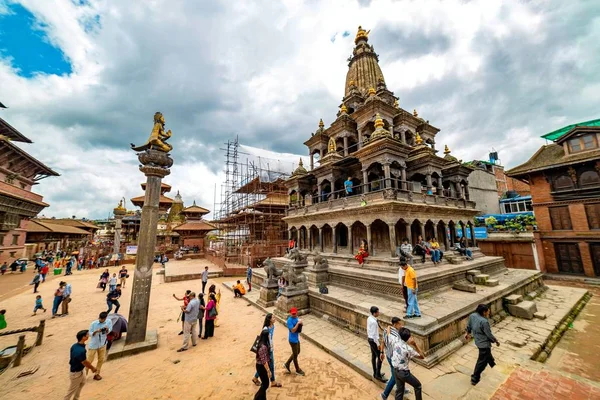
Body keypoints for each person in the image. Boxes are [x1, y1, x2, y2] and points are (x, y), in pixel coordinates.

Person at [466, 304, 500, 386]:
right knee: (481, 362)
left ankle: (491, 362)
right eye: (488, 312)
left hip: (477, 341)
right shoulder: (484, 322)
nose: (489, 313)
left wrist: (468, 334)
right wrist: (496, 341)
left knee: (485, 355)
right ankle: (475, 378)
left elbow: (468, 326)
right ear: (484, 312)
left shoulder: (472, 316)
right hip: (484, 344)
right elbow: (488, 334)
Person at [381, 316, 411, 400]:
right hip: (394, 358)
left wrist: (381, 352)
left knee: (399, 374)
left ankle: (402, 389)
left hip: (388, 355)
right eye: (399, 324)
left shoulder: (385, 330)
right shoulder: (397, 335)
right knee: (395, 377)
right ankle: (384, 394)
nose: (401, 325)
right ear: (395, 324)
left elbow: (383, 341)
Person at [392, 328, 425, 400]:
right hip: (404, 373)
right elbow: (422, 356)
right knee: (418, 386)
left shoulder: (395, 341)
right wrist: (415, 344)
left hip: (395, 369)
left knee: (399, 391)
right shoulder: (408, 349)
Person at [64, 330, 97, 400]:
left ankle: (76, 398)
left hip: (80, 370)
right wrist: (93, 368)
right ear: (83, 337)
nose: (88, 336)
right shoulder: (81, 351)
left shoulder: (74, 346)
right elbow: (85, 362)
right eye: (87, 335)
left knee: (82, 382)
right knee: (71, 390)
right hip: (76, 373)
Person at [253, 313, 282, 388]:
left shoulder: (273, 326)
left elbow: (270, 338)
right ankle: (272, 381)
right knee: (269, 365)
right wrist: (269, 349)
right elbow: (264, 340)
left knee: (268, 365)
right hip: (267, 349)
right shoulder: (265, 329)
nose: (275, 318)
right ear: (269, 320)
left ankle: (256, 378)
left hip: (269, 347)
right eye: (273, 317)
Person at [87, 311, 113, 381]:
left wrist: (107, 330)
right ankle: (84, 375)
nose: (101, 320)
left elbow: (110, 330)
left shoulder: (109, 321)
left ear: (105, 318)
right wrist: (96, 331)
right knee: (89, 361)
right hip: (94, 344)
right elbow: (89, 333)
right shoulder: (93, 323)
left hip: (102, 343)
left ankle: (97, 373)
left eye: (103, 319)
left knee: (101, 359)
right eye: (100, 319)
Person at [367, 306, 387, 382]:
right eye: (378, 312)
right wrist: (378, 344)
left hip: (370, 339)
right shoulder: (373, 322)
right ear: (374, 313)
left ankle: (375, 372)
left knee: (374, 356)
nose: (379, 313)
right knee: (380, 357)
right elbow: (374, 334)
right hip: (374, 341)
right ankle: (377, 375)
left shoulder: (370, 318)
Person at [283, 307, 305, 376]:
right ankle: (297, 370)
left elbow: (302, 325)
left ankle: (287, 363)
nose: (294, 315)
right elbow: (292, 330)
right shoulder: (289, 320)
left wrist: (301, 322)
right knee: (295, 355)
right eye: (293, 314)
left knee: (298, 352)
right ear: (290, 313)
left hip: (296, 339)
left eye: (295, 314)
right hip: (292, 340)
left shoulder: (297, 318)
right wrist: (298, 324)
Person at [254, 329, 273, 400]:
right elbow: (264, 361)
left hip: (261, 366)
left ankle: (263, 398)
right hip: (261, 367)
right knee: (265, 384)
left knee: (264, 383)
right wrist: (268, 371)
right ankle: (257, 397)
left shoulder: (262, 343)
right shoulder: (263, 347)